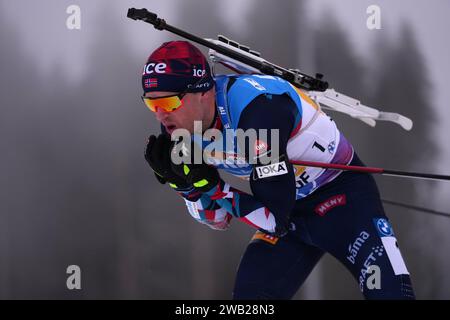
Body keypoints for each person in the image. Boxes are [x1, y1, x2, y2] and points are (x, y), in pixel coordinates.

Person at [141, 40, 415, 299]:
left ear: (203, 91)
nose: (160, 114)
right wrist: (186, 187)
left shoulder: (259, 112)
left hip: (341, 202)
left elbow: (274, 220)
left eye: (167, 102)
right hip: (290, 212)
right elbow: (217, 220)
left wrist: (210, 187)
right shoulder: (178, 127)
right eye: (151, 103)